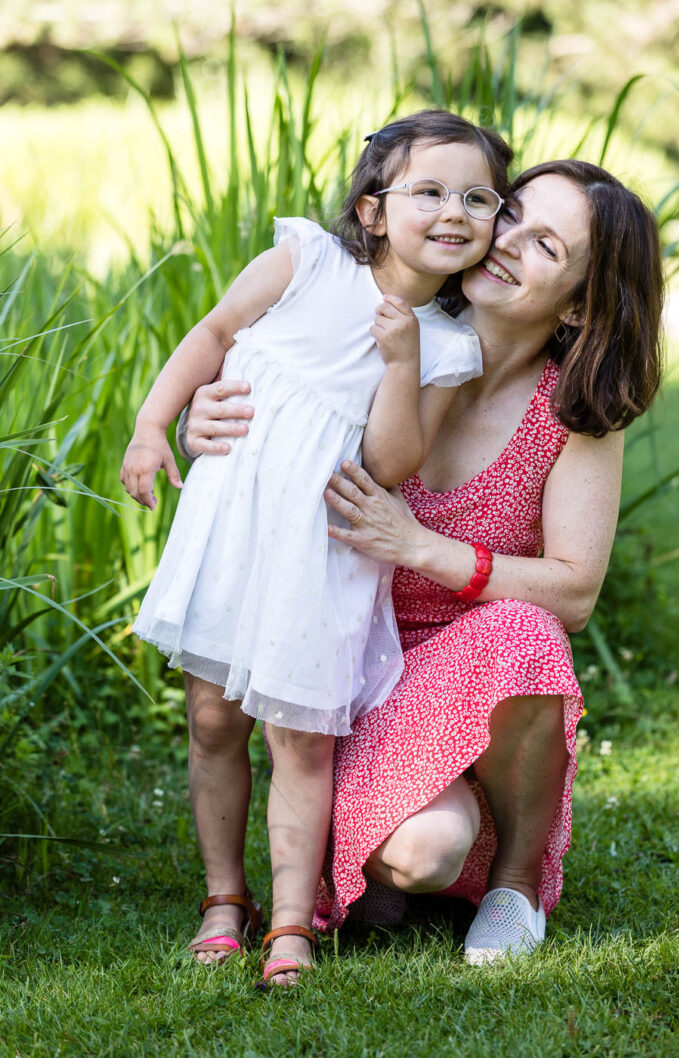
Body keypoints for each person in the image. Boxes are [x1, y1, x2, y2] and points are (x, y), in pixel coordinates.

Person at [181, 159, 663, 965]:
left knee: (526, 632)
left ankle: (511, 888)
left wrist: (420, 548)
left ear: (581, 299)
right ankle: (374, 858)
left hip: (466, 671)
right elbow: (262, 375)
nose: (502, 241)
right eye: (508, 213)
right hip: (342, 660)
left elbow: (573, 589)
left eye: (544, 244)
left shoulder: (573, 412)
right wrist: (206, 411)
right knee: (424, 851)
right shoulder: (385, 328)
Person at [120, 110, 513, 984]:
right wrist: (154, 425)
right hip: (236, 533)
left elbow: (388, 463)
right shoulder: (304, 262)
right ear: (373, 210)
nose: (455, 212)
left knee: (301, 739)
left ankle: (290, 922)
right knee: (213, 717)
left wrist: (402, 360)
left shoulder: (447, 343)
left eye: (478, 197)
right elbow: (213, 336)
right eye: (430, 192)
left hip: (327, 556)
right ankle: (225, 896)